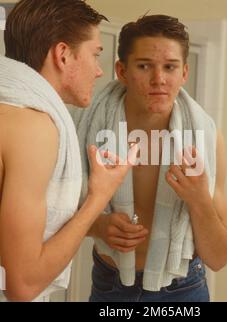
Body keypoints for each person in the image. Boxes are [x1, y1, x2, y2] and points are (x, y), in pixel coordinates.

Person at [72, 14, 227, 302]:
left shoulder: (207, 140)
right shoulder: (85, 128)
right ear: (122, 71)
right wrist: (98, 227)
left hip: (183, 288)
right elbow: (52, 215)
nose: (159, 79)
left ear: (184, 73)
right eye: (145, 66)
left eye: (170, 67)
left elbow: (219, 257)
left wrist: (199, 201)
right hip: (111, 284)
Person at [0, 0, 136, 302]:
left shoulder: (8, 109)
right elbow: (22, 284)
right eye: (95, 54)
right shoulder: (32, 127)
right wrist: (98, 198)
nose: (100, 71)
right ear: (63, 54)